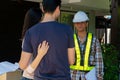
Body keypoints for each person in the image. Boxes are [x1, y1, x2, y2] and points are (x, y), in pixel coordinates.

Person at [19, 0, 75, 80]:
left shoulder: (31, 32)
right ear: (57, 8)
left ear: (42, 9)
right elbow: (71, 60)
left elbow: (22, 65)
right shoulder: (67, 30)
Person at [70, 11, 104, 80]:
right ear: (74, 25)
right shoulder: (70, 39)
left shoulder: (94, 40)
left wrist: (99, 77)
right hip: (73, 76)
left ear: (86, 24)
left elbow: (99, 60)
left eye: (82, 22)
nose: (80, 25)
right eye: (77, 23)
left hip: (89, 76)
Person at [20, 6, 43, 80]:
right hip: (31, 76)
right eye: (42, 19)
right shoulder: (31, 37)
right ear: (37, 20)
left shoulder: (27, 36)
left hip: (29, 75)